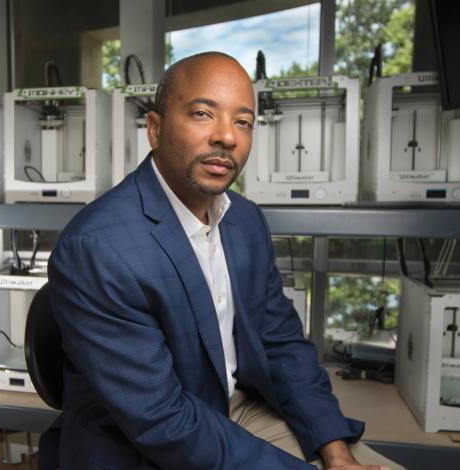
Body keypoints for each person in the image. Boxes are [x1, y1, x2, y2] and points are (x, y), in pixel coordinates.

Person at [46, 51, 402, 469]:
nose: (227, 137)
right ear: (155, 129)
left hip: (237, 412)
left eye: (243, 122)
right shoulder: (98, 248)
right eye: (202, 113)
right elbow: (162, 421)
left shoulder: (245, 220)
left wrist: (336, 454)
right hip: (143, 448)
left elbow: (281, 342)